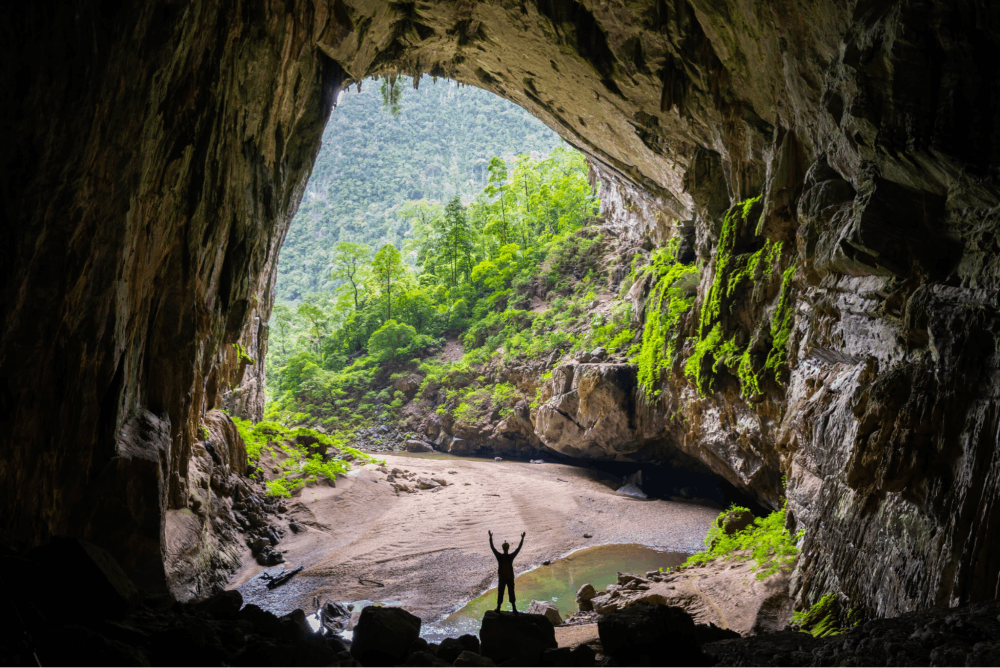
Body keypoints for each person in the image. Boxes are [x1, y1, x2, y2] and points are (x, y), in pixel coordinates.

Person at [489, 529, 525, 613]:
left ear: (502, 548)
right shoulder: (510, 556)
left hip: (502, 577)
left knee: (500, 592)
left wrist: (490, 537)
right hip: (509, 577)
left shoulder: (499, 556)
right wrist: (522, 538)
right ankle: (514, 608)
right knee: (511, 592)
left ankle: (498, 608)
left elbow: (492, 547)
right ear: (508, 548)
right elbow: (518, 549)